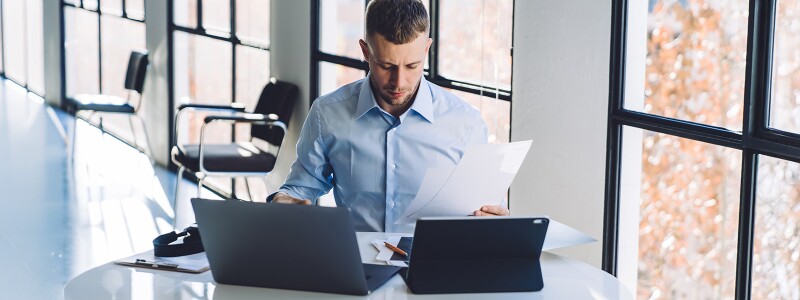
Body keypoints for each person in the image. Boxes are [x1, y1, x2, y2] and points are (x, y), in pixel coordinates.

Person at [269, 0, 508, 232]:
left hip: (433, 263)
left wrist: (494, 218)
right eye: (386, 66)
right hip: (356, 264)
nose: (398, 82)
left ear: (426, 49)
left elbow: (486, 207)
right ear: (365, 51)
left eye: (412, 66)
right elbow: (301, 187)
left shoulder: (466, 123)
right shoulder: (327, 114)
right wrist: (284, 201)